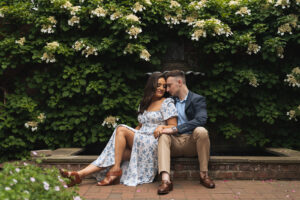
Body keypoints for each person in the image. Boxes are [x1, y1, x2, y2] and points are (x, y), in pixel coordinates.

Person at [59, 72, 178, 187]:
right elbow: (139, 126)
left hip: (153, 141)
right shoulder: (144, 104)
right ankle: (80, 175)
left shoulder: (167, 103)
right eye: (158, 85)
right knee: (114, 151)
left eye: (164, 86)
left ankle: (115, 169)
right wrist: (130, 136)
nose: (162, 88)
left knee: (121, 129)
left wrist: (162, 126)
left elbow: (174, 126)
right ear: (151, 85)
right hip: (140, 139)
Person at [155, 70, 215, 195]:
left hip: (191, 143)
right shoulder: (169, 101)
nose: (167, 89)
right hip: (174, 143)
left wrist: (175, 128)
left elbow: (201, 119)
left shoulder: (197, 99)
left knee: (202, 131)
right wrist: (161, 128)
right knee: (164, 135)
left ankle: (204, 175)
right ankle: (166, 181)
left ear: (180, 82)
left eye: (169, 85)